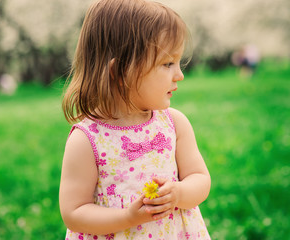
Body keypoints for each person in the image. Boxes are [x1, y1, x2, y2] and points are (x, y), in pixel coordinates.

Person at [59, 0, 211, 239]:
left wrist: (179, 194)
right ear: (120, 72)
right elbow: (74, 212)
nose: (179, 75)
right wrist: (127, 218)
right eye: (167, 63)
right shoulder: (87, 140)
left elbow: (200, 179)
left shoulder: (174, 124)